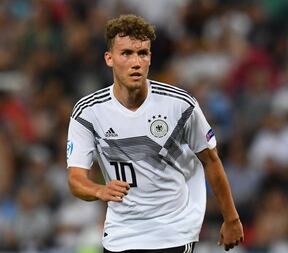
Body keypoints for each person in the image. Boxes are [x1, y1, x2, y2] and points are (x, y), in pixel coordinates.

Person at [66, 14, 243, 253]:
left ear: (150, 58)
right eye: (126, 53)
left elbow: (211, 160)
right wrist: (100, 190)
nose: (136, 62)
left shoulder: (180, 105)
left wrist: (231, 219)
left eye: (143, 53)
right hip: (121, 233)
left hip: (172, 230)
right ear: (109, 58)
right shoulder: (89, 112)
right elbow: (76, 179)